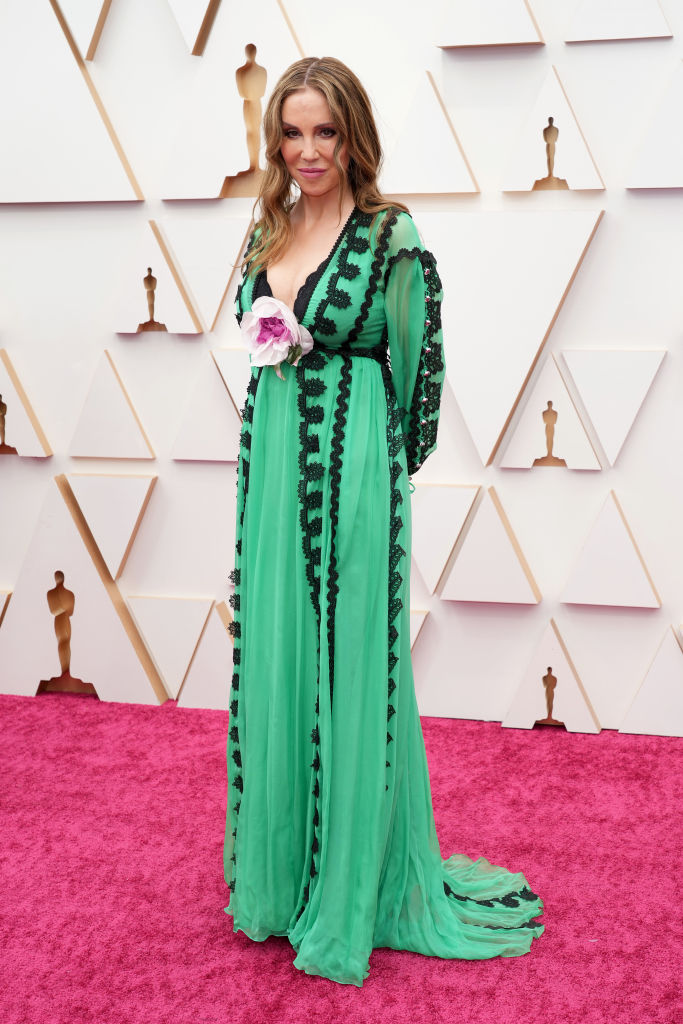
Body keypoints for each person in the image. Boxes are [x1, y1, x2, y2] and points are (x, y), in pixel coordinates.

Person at [224, 56, 544, 986]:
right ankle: (282, 880)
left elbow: (421, 368)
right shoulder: (267, 224)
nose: (307, 150)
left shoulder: (389, 233)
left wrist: (378, 473)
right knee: (279, 649)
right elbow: (256, 343)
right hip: (272, 470)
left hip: (355, 466)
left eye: (325, 131)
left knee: (353, 656)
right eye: (292, 132)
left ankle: (355, 883)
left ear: (352, 134)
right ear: (275, 139)